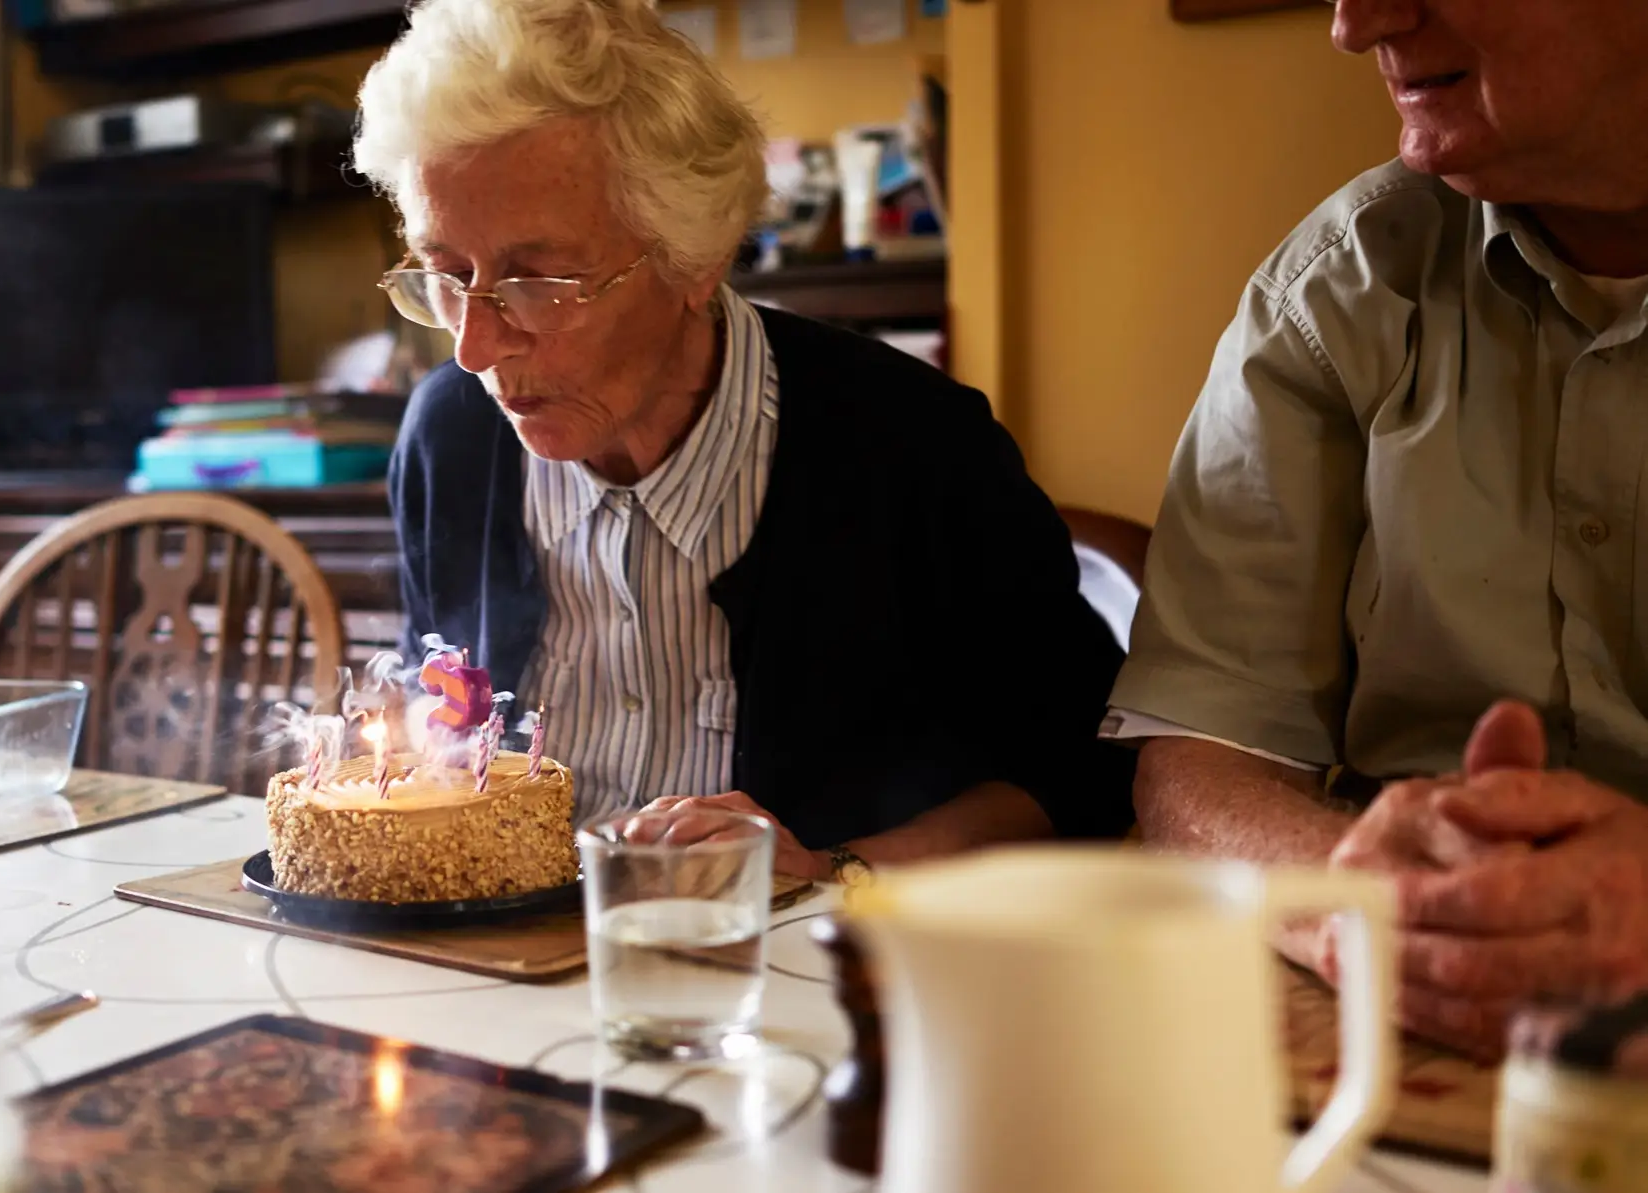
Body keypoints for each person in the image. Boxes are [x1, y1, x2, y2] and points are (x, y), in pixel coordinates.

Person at [361, 0, 1134, 882]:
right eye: (447, 275)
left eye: (540, 280)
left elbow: (1083, 771)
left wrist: (828, 865)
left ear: (695, 259)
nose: (474, 347)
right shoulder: (449, 437)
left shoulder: (912, 447)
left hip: (810, 978)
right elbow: (444, 717)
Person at [1108, 0, 1648, 1056]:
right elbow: (1195, 760)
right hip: (1404, 1031)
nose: (1356, 24)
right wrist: (1351, 902)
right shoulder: (1335, 287)